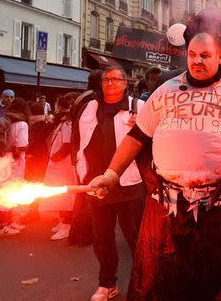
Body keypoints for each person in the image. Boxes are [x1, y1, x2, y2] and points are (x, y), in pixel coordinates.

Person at [89, 30, 221, 300]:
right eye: (192, 55)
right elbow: (137, 136)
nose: (197, 61)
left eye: (205, 55)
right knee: (159, 283)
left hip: (214, 208)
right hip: (164, 206)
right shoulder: (165, 91)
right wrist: (112, 174)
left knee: (212, 285)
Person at [77, 66, 145, 301]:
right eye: (106, 79)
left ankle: (144, 284)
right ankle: (107, 284)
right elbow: (80, 140)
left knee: (136, 238)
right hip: (97, 184)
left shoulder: (138, 107)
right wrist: (81, 171)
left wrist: (144, 128)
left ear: (126, 83)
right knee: (102, 238)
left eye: (116, 79)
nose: (111, 84)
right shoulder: (90, 107)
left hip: (129, 184)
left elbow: (157, 139)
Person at [68, 69, 104, 247]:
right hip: (89, 153)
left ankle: (78, 235)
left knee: (83, 197)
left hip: (81, 152)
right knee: (89, 195)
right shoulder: (92, 101)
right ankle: (85, 234)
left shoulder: (81, 98)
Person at [41, 92, 80, 241]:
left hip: (63, 167)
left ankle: (66, 225)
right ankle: (62, 222)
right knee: (59, 196)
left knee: (65, 196)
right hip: (58, 166)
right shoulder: (63, 122)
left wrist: (55, 157)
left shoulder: (67, 123)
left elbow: (67, 144)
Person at [0, 97, 30, 236]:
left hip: (4, 159)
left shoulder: (7, 120)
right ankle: (4, 226)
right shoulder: (22, 124)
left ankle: (8, 223)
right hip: (15, 162)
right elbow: (22, 145)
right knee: (9, 192)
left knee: (5, 190)